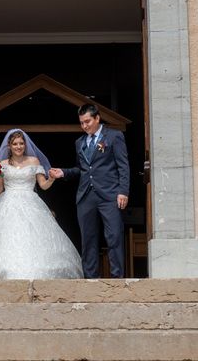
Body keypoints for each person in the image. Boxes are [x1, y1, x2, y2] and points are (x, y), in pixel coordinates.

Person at [0, 129, 83, 279]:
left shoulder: (34, 161)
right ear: (9, 146)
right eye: (15, 144)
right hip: (7, 202)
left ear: (25, 145)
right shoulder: (2, 164)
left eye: (21, 143)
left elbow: (43, 185)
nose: (18, 146)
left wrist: (51, 178)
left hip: (31, 202)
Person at [50, 104, 129, 278]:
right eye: (81, 123)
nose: (85, 126)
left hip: (110, 195)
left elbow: (123, 166)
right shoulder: (79, 142)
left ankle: (117, 278)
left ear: (97, 118)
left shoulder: (114, 137)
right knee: (88, 239)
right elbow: (82, 169)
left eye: (87, 122)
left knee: (114, 236)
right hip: (86, 196)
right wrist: (64, 172)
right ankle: (91, 278)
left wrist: (123, 191)